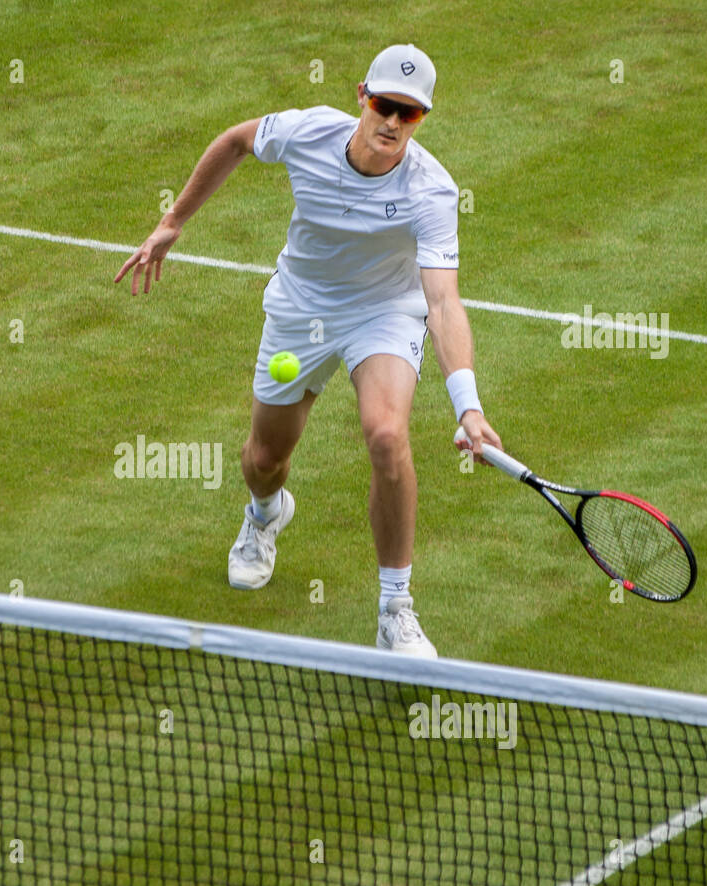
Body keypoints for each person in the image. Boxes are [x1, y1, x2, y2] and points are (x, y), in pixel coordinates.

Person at [114, 44, 501, 657]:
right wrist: (174, 221)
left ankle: (394, 607)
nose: (394, 123)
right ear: (361, 97)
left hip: (383, 314)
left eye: (411, 114)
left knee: (385, 435)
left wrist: (468, 405)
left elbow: (444, 302)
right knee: (265, 457)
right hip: (301, 306)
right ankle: (266, 512)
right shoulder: (308, 132)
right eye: (385, 105)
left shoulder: (431, 190)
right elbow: (236, 141)